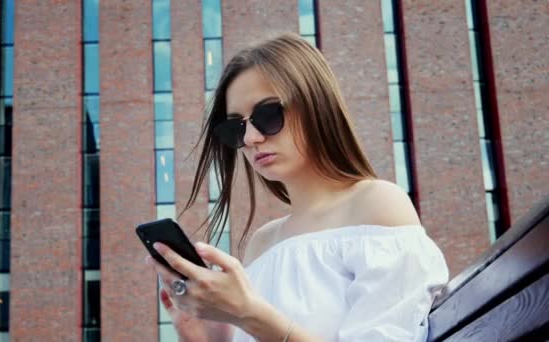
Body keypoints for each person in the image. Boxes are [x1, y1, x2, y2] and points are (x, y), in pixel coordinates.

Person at [145, 32, 449, 341]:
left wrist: (247, 313)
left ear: (316, 105)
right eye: (235, 127)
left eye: (268, 115)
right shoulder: (262, 242)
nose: (250, 139)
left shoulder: (377, 204)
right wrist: (211, 336)